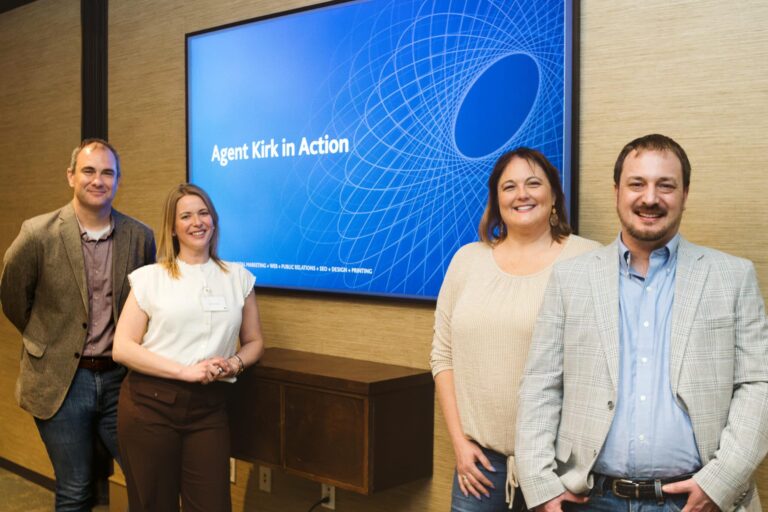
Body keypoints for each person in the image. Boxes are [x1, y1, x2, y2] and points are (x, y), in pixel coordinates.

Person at [515, 134, 768, 512]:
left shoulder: (732, 276)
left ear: (685, 194)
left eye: (666, 185)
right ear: (617, 191)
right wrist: (540, 486)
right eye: (637, 183)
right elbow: (541, 384)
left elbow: (758, 384)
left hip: (696, 500)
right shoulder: (571, 278)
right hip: (590, 499)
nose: (650, 198)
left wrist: (721, 482)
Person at [430, 147, 601, 511]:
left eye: (533, 183)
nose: (522, 194)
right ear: (496, 200)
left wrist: (575, 463)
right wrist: (459, 443)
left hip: (561, 468)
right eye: (509, 187)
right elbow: (442, 356)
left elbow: (605, 369)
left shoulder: (589, 259)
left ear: (553, 195)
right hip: (480, 468)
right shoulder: (467, 260)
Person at [0, 138, 156, 511]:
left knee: (147, 474)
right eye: (88, 171)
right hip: (60, 382)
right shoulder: (37, 233)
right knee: (75, 488)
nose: (98, 180)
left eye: (107, 173)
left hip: (120, 379)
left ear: (118, 180)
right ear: (71, 176)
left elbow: (149, 302)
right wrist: (49, 338)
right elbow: (13, 297)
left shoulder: (140, 236)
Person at [112, 183, 265, 512]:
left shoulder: (239, 278)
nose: (197, 222)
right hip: (149, 406)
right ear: (172, 227)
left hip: (208, 408)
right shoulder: (150, 278)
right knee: (154, 505)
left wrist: (234, 364)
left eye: (203, 213)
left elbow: (254, 342)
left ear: (214, 220)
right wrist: (184, 371)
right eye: (186, 216)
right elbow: (122, 347)